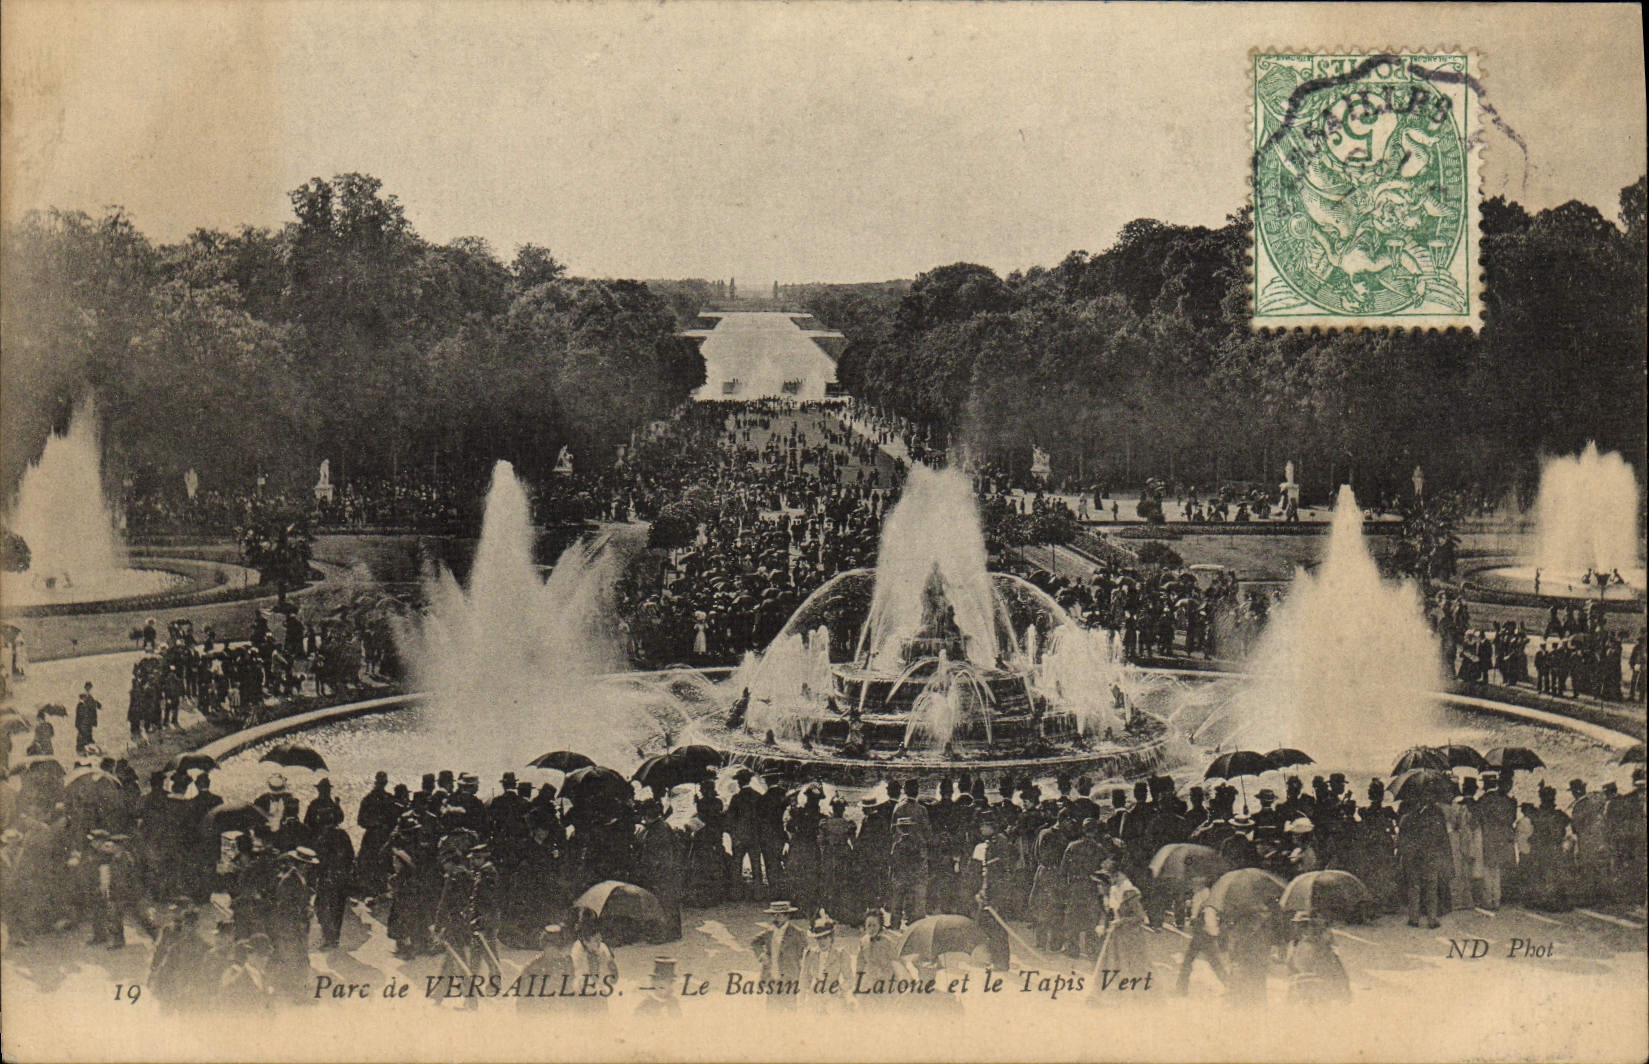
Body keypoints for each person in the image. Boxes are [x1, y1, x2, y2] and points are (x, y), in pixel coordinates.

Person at [750, 900, 807, 1005]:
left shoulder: (797, 933)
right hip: (772, 978)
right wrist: (762, 955)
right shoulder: (769, 932)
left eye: (779, 915)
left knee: (789, 1009)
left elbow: (804, 953)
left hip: (789, 979)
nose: (775, 918)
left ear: (787, 916)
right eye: (773, 915)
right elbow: (754, 942)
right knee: (772, 1010)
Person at [1286, 913, 1351, 1005]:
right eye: (1299, 925)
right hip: (1302, 986)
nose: (1301, 929)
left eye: (1305, 925)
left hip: (1318, 986)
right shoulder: (1294, 944)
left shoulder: (1322, 945)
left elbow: (1336, 969)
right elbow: (1290, 967)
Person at [799, 915, 852, 1007]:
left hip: (834, 997)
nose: (822, 942)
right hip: (815, 997)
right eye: (819, 938)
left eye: (825, 938)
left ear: (831, 938)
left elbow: (850, 979)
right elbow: (804, 979)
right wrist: (802, 1001)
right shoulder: (810, 954)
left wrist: (841, 989)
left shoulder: (840, 954)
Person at [74, 682, 101, 754]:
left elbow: (95, 706)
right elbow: (79, 715)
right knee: (83, 735)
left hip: (88, 721)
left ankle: (87, 749)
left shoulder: (90, 697)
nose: (89, 688)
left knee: (87, 734)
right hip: (84, 722)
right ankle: (82, 749)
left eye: (90, 687)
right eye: (88, 687)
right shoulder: (82, 703)